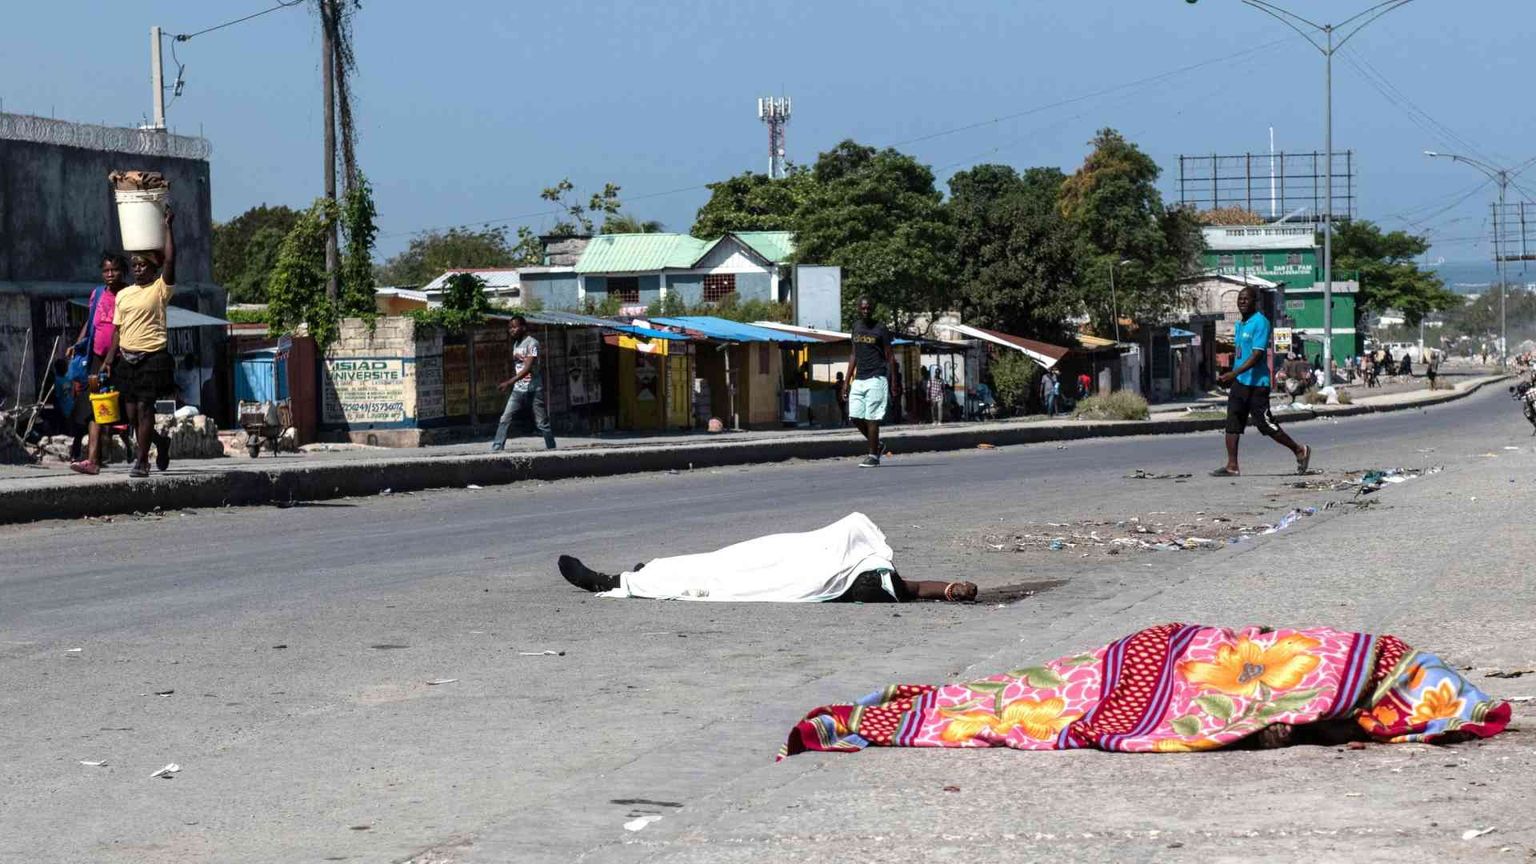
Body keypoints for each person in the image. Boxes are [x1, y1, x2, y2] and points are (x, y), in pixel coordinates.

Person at [779, 622, 1512, 759]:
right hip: (1168, 655)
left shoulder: (1366, 675)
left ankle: (902, 711)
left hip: (1182, 659)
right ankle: (901, 713)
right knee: (1036, 697)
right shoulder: (1367, 661)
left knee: (1024, 699)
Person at [556, 512, 978, 603]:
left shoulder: (871, 588)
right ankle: (647, 572)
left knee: (718, 578)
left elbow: (914, 590)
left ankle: (613, 581)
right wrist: (951, 587)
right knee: (725, 560)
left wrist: (949, 591)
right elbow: (920, 587)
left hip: (791, 577)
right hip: (799, 552)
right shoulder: (876, 569)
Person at [103, 209, 176, 479]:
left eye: (143, 265)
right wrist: (109, 358)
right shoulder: (124, 295)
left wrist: (167, 227)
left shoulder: (160, 289)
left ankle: (142, 461)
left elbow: (171, 260)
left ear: (153, 269)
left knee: (146, 409)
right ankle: (159, 442)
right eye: (134, 266)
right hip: (127, 359)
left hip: (152, 358)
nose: (137, 269)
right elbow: (117, 330)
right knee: (132, 416)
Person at [1212, 285, 1310, 477]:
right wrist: (1230, 374)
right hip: (1240, 382)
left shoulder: (1261, 322)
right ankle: (1232, 465)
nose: (1242, 302)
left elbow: (1257, 355)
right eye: (1240, 299)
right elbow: (1241, 354)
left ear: (1255, 302)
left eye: (1246, 299)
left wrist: (1234, 373)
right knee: (1232, 422)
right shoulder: (1240, 324)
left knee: (1264, 424)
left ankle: (1299, 450)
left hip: (1257, 384)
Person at [67, 254, 133, 474]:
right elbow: (91, 322)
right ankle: (92, 460)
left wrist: (111, 358)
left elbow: (122, 329)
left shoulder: (129, 295)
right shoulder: (97, 294)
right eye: (106, 271)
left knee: (129, 410)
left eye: (114, 270)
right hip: (96, 358)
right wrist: (78, 344)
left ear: (123, 272)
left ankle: (158, 442)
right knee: (94, 406)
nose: (110, 274)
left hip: (122, 358)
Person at [490, 314, 556, 451]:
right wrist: (512, 382)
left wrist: (508, 382)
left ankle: (552, 449)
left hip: (534, 389)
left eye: (514, 327)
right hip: (518, 390)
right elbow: (518, 367)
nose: (511, 330)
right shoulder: (516, 344)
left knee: (542, 423)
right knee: (505, 418)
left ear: (523, 328)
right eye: (510, 328)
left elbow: (528, 368)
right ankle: (497, 447)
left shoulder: (533, 344)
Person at [842, 297, 893, 468]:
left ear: (873, 309)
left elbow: (889, 355)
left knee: (872, 418)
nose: (866, 311)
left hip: (877, 377)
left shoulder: (881, 328)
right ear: (858, 308)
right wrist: (846, 382)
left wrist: (894, 381)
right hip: (859, 378)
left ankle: (873, 456)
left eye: (869, 308)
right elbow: (853, 354)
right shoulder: (856, 326)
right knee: (855, 416)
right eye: (863, 308)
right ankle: (877, 445)